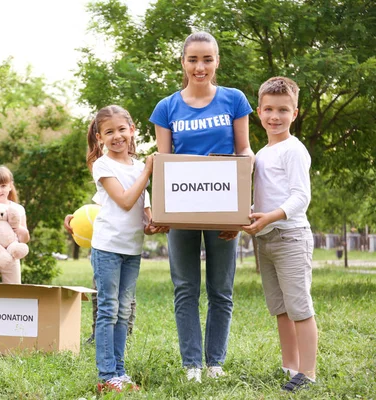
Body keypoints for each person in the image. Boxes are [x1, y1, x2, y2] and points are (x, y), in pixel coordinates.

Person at [150, 31, 255, 382]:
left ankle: (215, 364)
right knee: (185, 289)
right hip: (182, 209)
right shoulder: (167, 108)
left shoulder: (234, 100)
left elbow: (245, 152)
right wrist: (162, 211)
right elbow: (163, 163)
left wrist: (241, 210)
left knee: (221, 290)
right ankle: (192, 364)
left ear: (217, 61)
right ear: (183, 62)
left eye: (207, 59)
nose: (200, 66)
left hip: (224, 207)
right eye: (193, 59)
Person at [241, 77, 317, 392]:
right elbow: (264, 197)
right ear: (259, 111)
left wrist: (270, 217)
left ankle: (308, 374)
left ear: (294, 113)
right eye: (269, 109)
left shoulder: (293, 150)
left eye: (282, 110)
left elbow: (301, 197)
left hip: (291, 238)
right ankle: (290, 367)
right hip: (267, 240)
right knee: (281, 309)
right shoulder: (261, 153)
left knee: (299, 307)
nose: (275, 116)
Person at [87, 105, 167, 392]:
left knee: (123, 311)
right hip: (108, 247)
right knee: (108, 310)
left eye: (122, 129)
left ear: (132, 130)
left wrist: (152, 222)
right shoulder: (103, 165)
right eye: (109, 132)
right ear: (100, 138)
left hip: (132, 248)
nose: (117, 136)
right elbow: (123, 200)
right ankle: (106, 374)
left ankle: (119, 372)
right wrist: (148, 170)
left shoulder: (136, 166)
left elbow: (142, 206)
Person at [64, 207, 137, 344]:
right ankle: (99, 335)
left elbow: (144, 214)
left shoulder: (138, 187)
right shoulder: (104, 187)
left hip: (125, 245)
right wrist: (76, 219)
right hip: (103, 247)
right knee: (99, 293)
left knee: (125, 295)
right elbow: (96, 212)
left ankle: (124, 336)